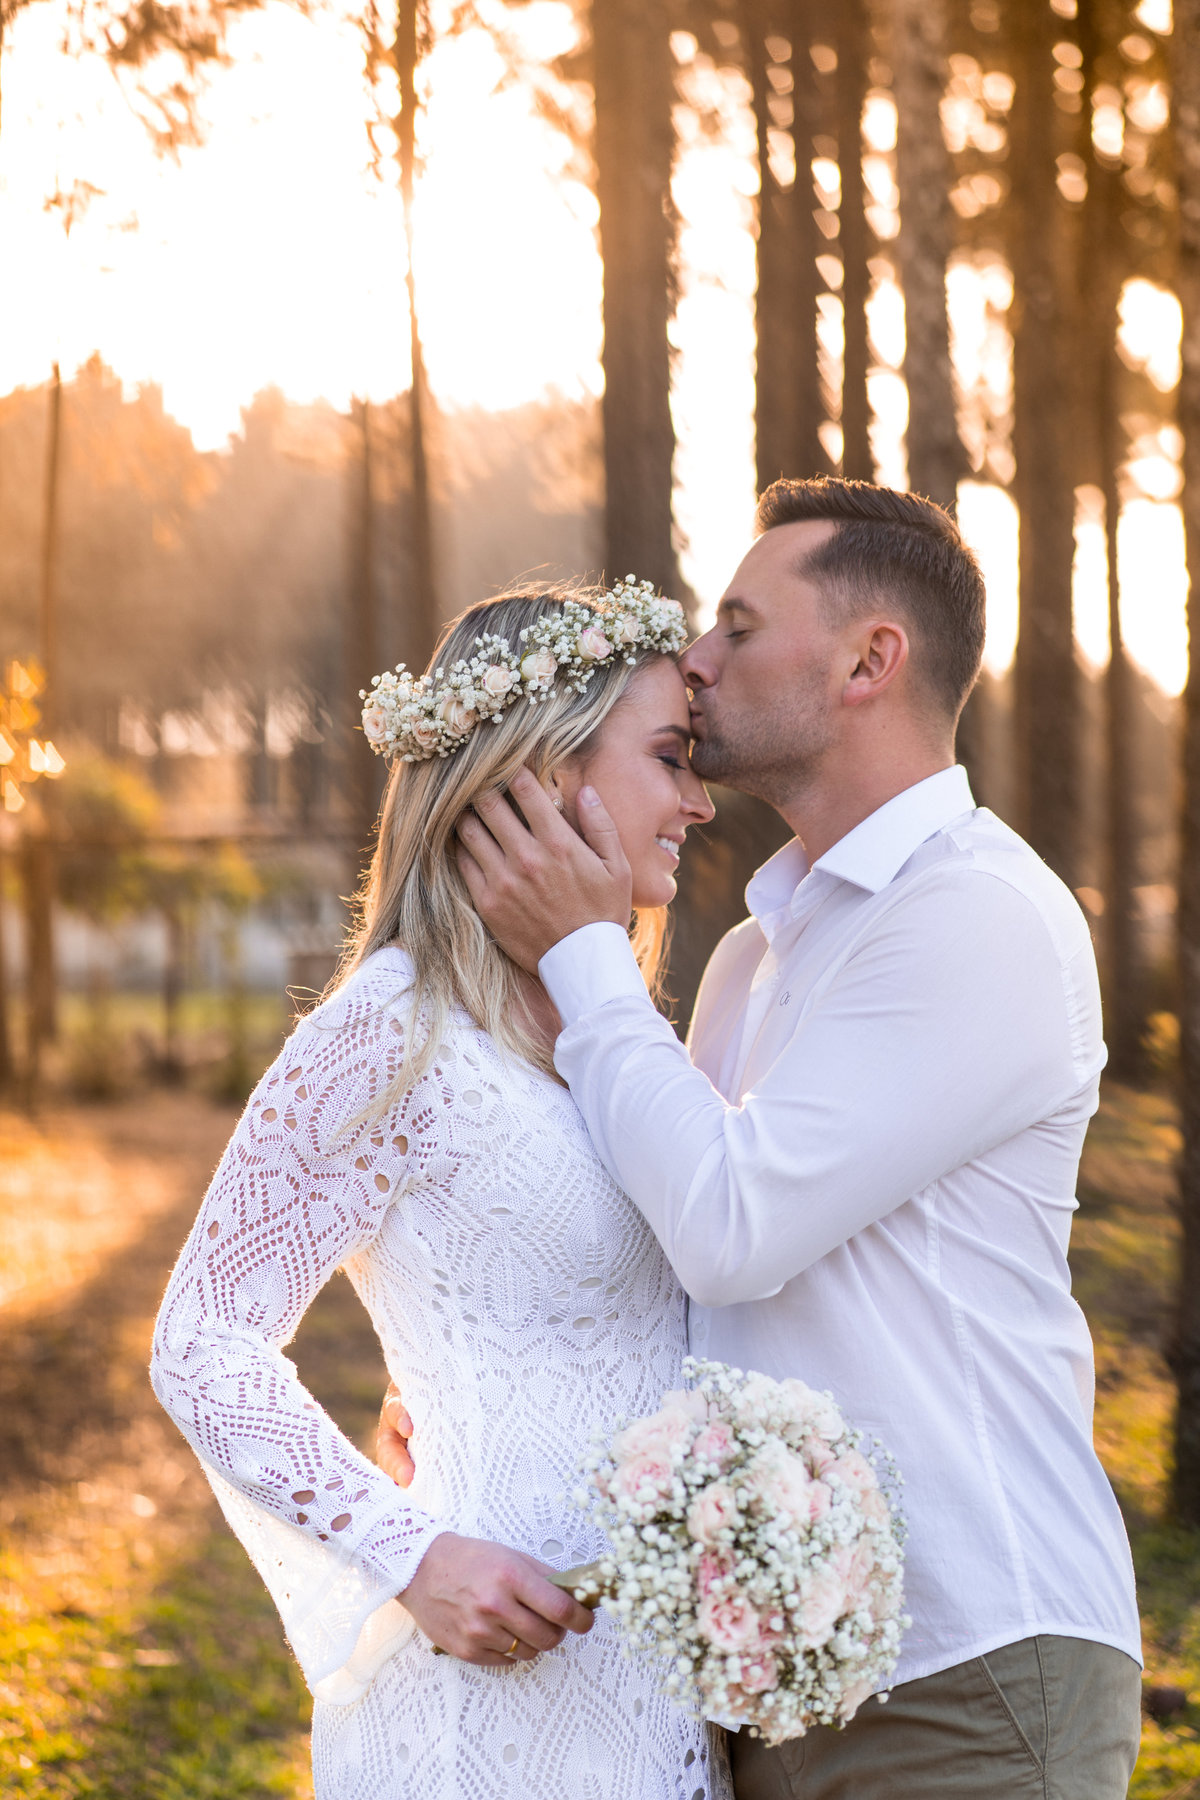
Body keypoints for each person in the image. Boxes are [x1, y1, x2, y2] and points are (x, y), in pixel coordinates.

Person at [388, 478, 1144, 1800]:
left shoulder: (977, 917)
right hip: (767, 1663)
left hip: (967, 1664)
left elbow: (734, 1231)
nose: (695, 661)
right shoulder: (752, 956)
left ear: (868, 661)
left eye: (739, 625)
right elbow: (677, 1259)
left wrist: (580, 952)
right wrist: (485, 1383)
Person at [149, 582, 731, 1800]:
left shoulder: (615, 1036)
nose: (699, 800)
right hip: (487, 1687)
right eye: (671, 757)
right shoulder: (390, 1030)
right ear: (535, 773)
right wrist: (406, 1550)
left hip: (651, 1691)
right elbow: (203, 1340)